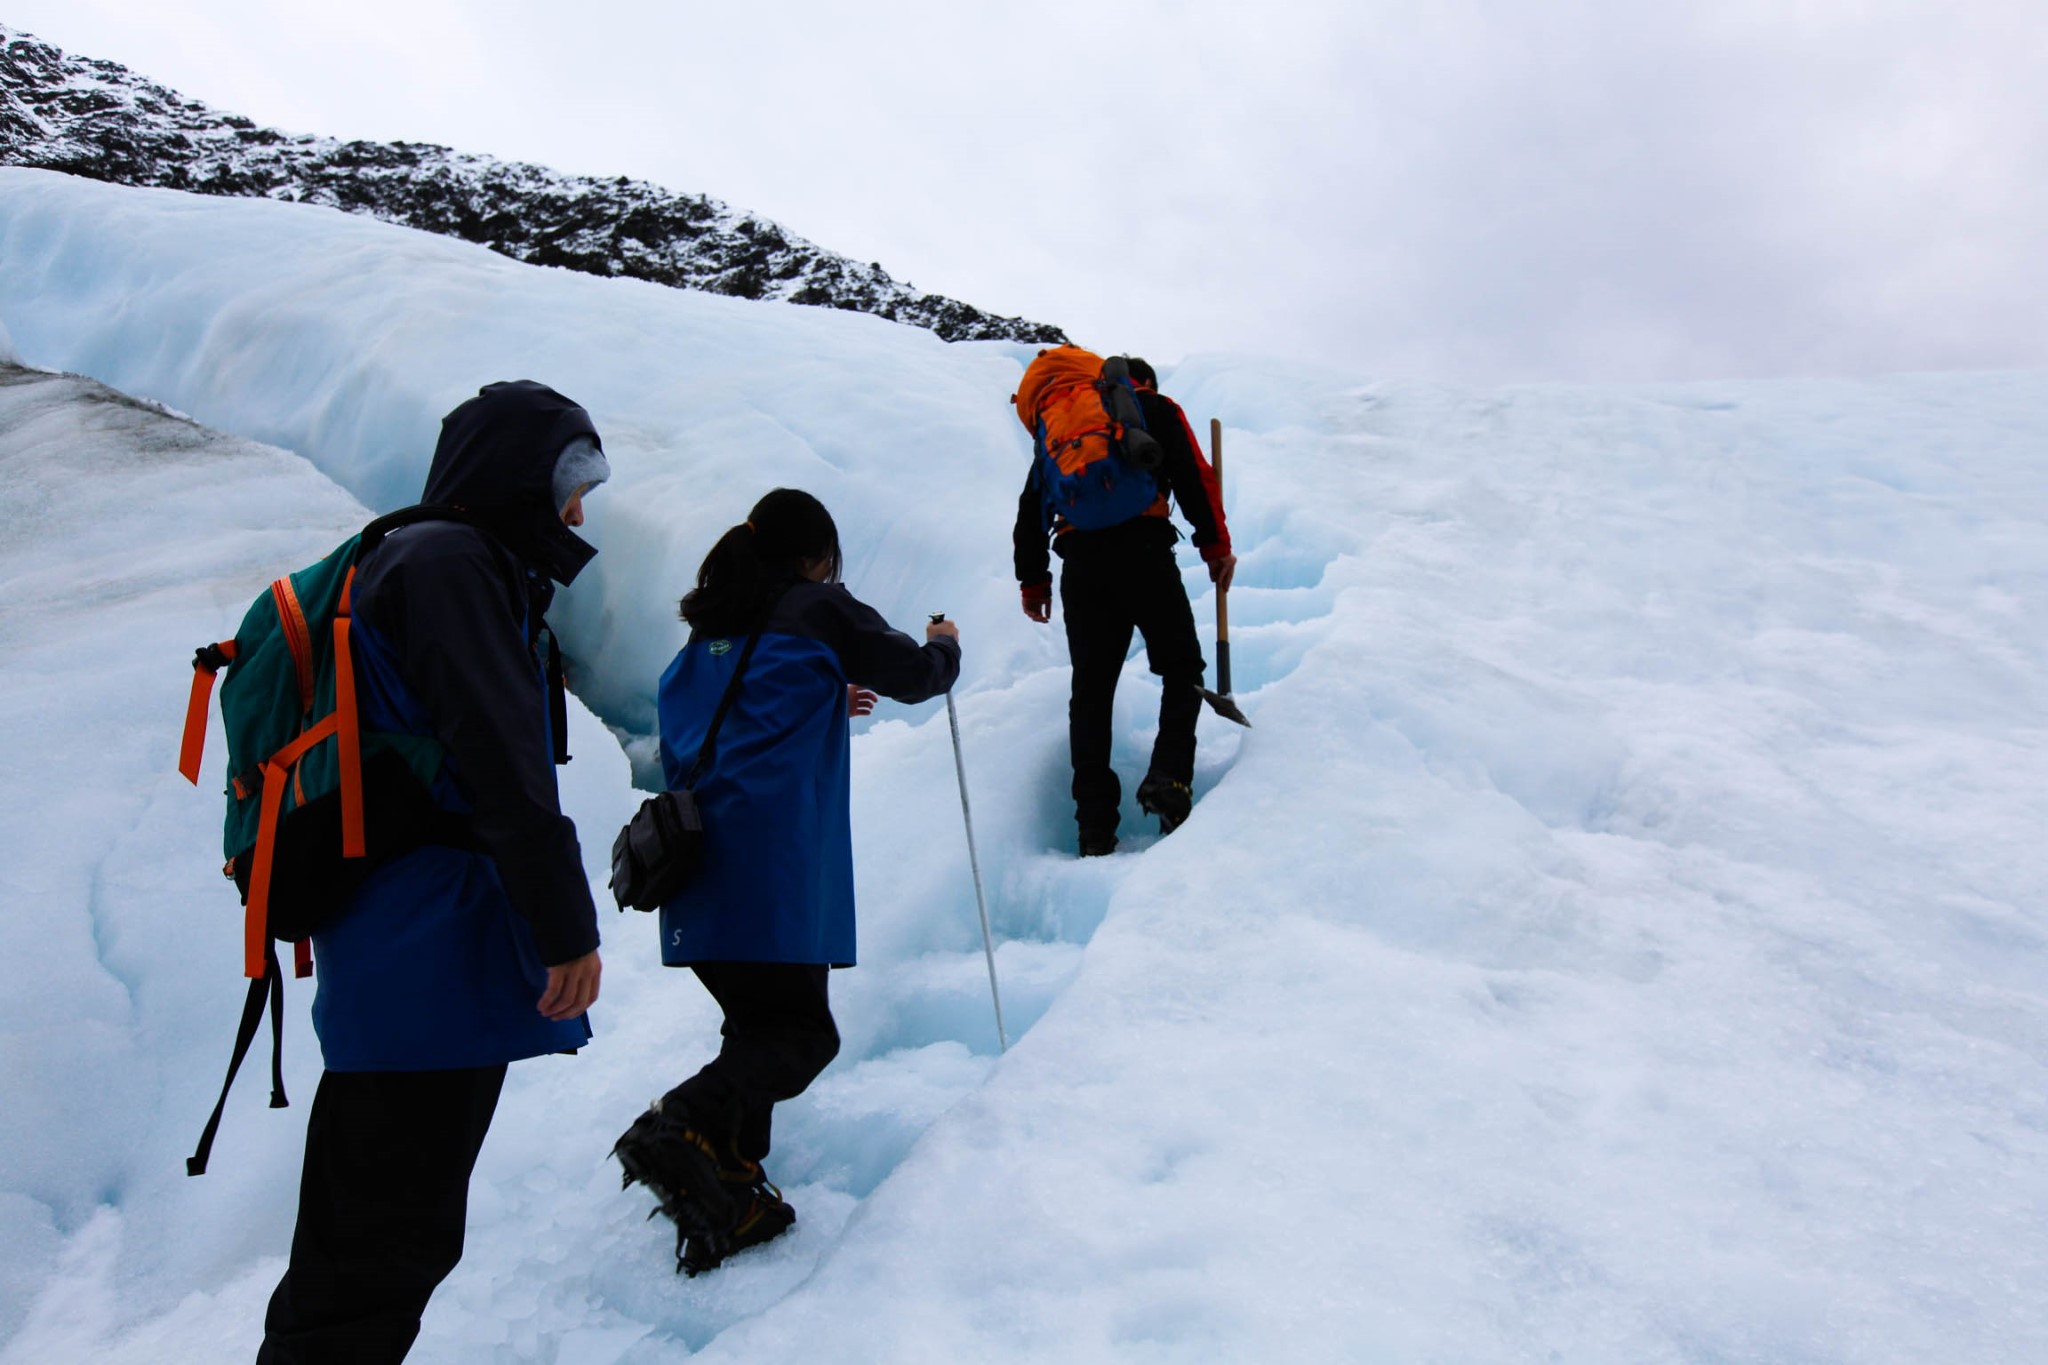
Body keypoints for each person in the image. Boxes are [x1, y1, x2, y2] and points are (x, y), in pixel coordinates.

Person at [258, 381, 607, 1364]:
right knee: (376, 1252)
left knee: (376, 1242)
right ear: (515, 475)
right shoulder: (453, 562)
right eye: (569, 480)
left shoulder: (435, 559)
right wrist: (563, 925)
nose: (578, 510)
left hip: (409, 936)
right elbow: (499, 757)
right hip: (425, 941)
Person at [612, 487, 960, 1276]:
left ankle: (724, 1195)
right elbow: (914, 674)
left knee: (757, 1026)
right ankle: (677, 1125)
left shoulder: (710, 626)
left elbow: (714, 718)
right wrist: (946, 645)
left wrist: (818, 697)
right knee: (802, 1035)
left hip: (694, 870)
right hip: (766, 871)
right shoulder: (815, 607)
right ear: (814, 556)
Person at [1014, 355, 1236, 856]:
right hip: (1145, 552)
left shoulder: (1061, 432)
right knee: (1182, 668)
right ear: (1144, 384)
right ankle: (1169, 779)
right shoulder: (1151, 406)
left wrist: (1034, 583)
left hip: (1082, 564)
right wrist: (1215, 546)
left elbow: (1031, 511)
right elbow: (1192, 474)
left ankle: (1094, 826)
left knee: (1091, 691)